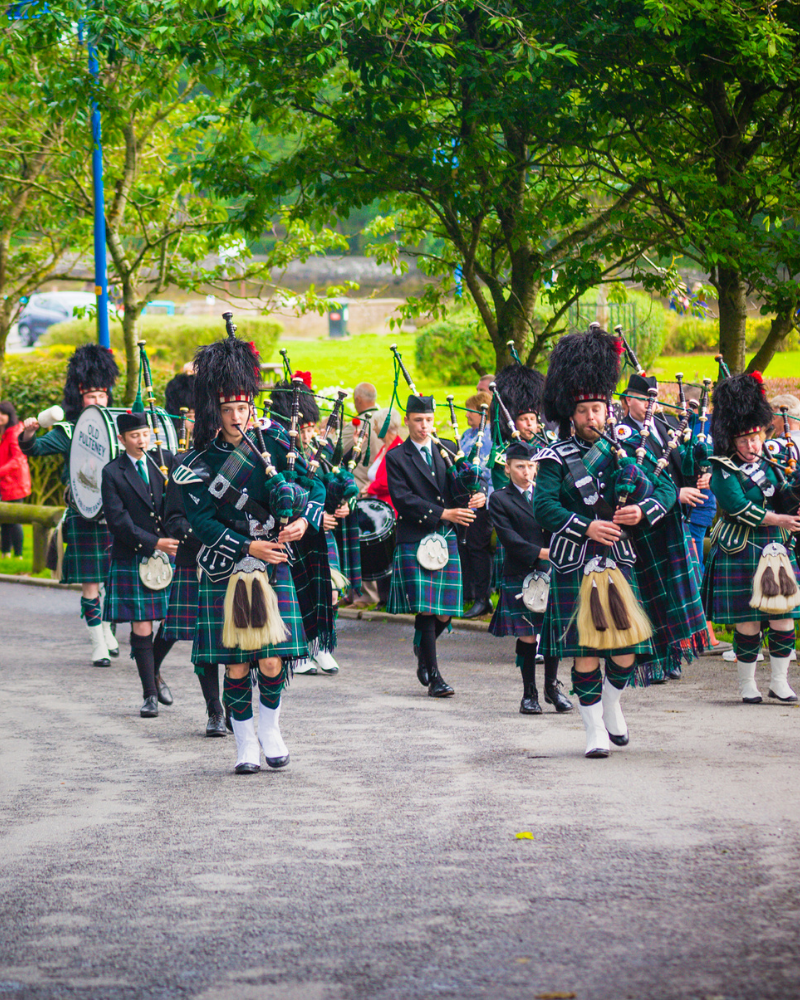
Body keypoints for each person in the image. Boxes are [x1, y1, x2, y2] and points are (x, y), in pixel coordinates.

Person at [175, 326, 324, 774]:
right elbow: (200, 522)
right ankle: (243, 745)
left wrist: (302, 520)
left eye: (243, 406)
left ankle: (270, 730)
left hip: (273, 565)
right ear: (214, 412)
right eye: (228, 409)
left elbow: (315, 489)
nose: (237, 416)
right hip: (228, 567)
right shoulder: (197, 463)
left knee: (273, 657)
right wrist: (248, 545)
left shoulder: (277, 446)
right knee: (237, 665)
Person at [535, 327, 676, 758]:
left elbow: (666, 489)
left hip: (620, 558)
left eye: (598, 408)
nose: (593, 417)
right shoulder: (555, 458)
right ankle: (593, 730)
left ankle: (612, 703)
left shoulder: (626, 452)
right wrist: (585, 526)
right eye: (585, 411)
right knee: (586, 650)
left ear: (607, 409)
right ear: (571, 414)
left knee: (627, 651)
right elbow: (543, 508)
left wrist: (643, 511)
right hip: (575, 561)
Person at [702, 371, 800, 704]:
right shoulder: (722, 468)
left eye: (754, 438)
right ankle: (747, 684)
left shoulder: (769, 461)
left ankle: (779, 681)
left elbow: (783, 495)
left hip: (775, 545)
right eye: (743, 441)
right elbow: (738, 506)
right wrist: (779, 518)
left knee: (783, 617)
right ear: (731, 440)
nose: (751, 446)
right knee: (748, 619)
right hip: (740, 546)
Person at [19, 344, 120, 666]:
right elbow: (34, 450)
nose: (98, 401)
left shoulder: (120, 426)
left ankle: (107, 631)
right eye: (91, 396)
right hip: (82, 512)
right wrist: (28, 435)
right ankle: (98, 645)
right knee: (92, 582)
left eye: (102, 395)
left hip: (116, 514)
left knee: (111, 581)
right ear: (80, 396)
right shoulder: (67, 430)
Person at [385, 393, 486, 697]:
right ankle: (435, 678)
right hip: (416, 535)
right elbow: (402, 499)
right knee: (428, 610)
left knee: (446, 610)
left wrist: (475, 494)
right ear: (408, 421)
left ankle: (421, 647)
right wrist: (443, 513)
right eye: (418, 420)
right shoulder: (397, 457)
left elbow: (458, 487)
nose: (424, 426)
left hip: (444, 535)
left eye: (428, 420)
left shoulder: (447, 449)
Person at [616, 372, 710, 681]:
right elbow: (635, 478)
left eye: (653, 400)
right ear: (628, 399)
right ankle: (649, 663)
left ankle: (671, 657)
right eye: (643, 399)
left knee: (673, 593)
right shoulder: (623, 434)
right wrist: (676, 494)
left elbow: (679, 467)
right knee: (649, 593)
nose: (649, 405)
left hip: (671, 523)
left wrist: (699, 471)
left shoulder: (664, 426)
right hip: (645, 524)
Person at [101, 412, 179, 717]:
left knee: (175, 620)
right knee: (142, 625)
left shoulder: (165, 461)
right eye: (134, 436)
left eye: (145, 434)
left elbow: (179, 502)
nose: (141, 440)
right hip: (134, 553)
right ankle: (149, 694)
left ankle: (153, 668)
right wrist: (153, 542)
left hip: (169, 552)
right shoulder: (113, 472)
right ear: (122, 439)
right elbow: (117, 520)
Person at [487, 441, 572, 714]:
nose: (527, 472)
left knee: (553, 633)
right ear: (508, 467)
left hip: (552, 571)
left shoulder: (548, 495)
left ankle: (551, 689)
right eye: (520, 466)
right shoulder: (499, 498)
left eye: (531, 466)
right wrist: (542, 552)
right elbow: (509, 539)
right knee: (527, 636)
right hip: (521, 571)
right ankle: (529, 694)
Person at [458, 391, 494, 619]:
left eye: (470, 411)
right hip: (464, 499)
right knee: (467, 547)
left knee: (479, 549)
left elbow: (487, 468)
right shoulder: (466, 433)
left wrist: (484, 495)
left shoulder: (489, 435)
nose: (467, 416)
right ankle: (470, 593)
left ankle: (484, 598)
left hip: (482, 500)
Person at [0, 401, 31, 557]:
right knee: (4, 518)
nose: (0, 416)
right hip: (5, 482)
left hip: (15, 482)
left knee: (14, 520)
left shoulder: (13, 432)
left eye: (3, 413)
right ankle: (5, 553)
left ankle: (18, 555)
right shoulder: (4, 432)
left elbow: (17, 459)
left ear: (9, 416)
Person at [340, 382, 381, 492]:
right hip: (382, 485)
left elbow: (336, 451)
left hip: (360, 487)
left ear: (358, 400)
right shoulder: (388, 421)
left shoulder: (357, 425)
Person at [366, 407, 404, 511]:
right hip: (378, 506)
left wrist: (370, 489)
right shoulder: (384, 448)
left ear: (383, 426)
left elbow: (390, 480)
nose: (374, 428)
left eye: (375, 425)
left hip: (390, 509)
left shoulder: (399, 449)